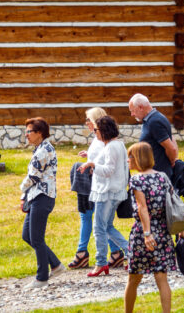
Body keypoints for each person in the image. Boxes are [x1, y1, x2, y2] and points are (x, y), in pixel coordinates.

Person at [123, 142, 177, 313]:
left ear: (137, 158)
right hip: (163, 230)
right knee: (162, 278)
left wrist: (147, 234)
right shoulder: (163, 177)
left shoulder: (137, 179)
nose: (128, 160)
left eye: (130, 156)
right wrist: (180, 230)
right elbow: (173, 204)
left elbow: (142, 207)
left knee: (133, 279)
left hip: (143, 233)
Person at [81, 115, 130, 276]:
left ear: (104, 131)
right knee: (108, 227)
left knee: (99, 228)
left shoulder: (111, 147)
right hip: (115, 191)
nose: (94, 133)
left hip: (106, 192)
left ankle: (101, 262)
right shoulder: (119, 145)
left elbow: (108, 170)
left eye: (96, 130)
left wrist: (92, 165)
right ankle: (131, 253)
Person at [19, 117, 64, 289]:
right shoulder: (41, 148)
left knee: (36, 238)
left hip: (43, 197)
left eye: (29, 131)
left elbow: (33, 177)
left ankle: (42, 277)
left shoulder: (43, 151)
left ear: (39, 133)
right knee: (27, 236)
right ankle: (56, 265)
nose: (26, 135)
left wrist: (21, 189)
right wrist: (25, 197)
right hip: (36, 196)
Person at [68, 107, 108, 270]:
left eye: (89, 120)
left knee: (90, 218)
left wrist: (90, 162)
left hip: (93, 183)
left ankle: (82, 253)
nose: (87, 123)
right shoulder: (100, 138)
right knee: (101, 222)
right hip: (93, 182)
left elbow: (104, 161)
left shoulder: (101, 139)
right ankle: (116, 253)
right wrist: (89, 155)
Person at [128, 94, 178, 179]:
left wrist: (172, 161)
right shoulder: (154, 118)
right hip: (155, 173)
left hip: (158, 174)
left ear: (140, 107)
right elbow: (172, 138)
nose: (132, 114)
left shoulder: (154, 122)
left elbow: (171, 148)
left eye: (133, 111)